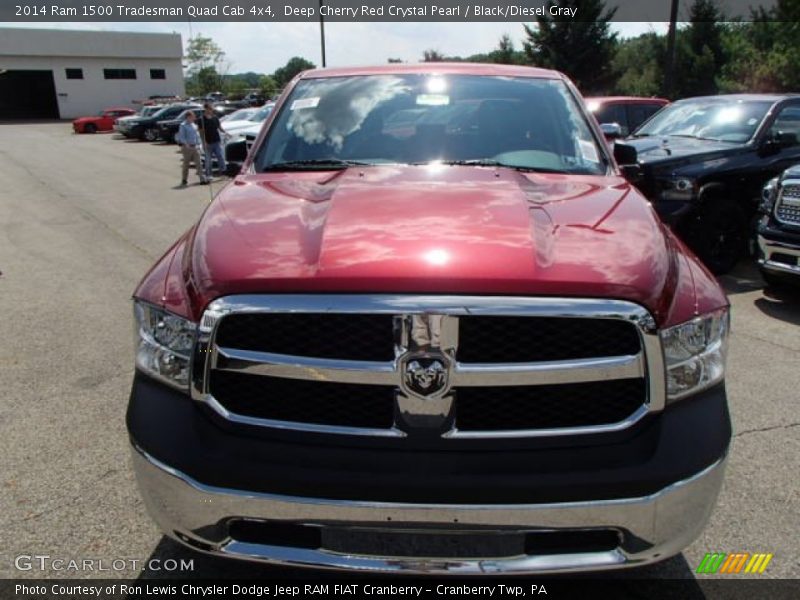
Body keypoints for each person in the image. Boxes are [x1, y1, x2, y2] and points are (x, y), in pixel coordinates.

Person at [175, 111, 208, 187]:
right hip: (187, 147)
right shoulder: (183, 125)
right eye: (192, 116)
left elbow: (197, 136)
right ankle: (184, 179)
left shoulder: (194, 125)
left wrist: (199, 144)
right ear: (188, 117)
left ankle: (202, 179)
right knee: (186, 164)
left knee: (199, 163)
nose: (194, 118)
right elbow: (182, 137)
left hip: (195, 146)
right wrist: (186, 144)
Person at [198, 103, 227, 180]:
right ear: (206, 109)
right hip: (208, 142)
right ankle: (208, 174)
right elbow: (201, 132)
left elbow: (219, 128)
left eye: (212, 109)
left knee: (220, 157)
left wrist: (226, 133)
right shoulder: (201, 120)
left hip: (216, 141)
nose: (211, 110)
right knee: (208, 160)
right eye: (210, 109)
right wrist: (204, 142)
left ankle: (223, 173)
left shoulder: (215, 118)